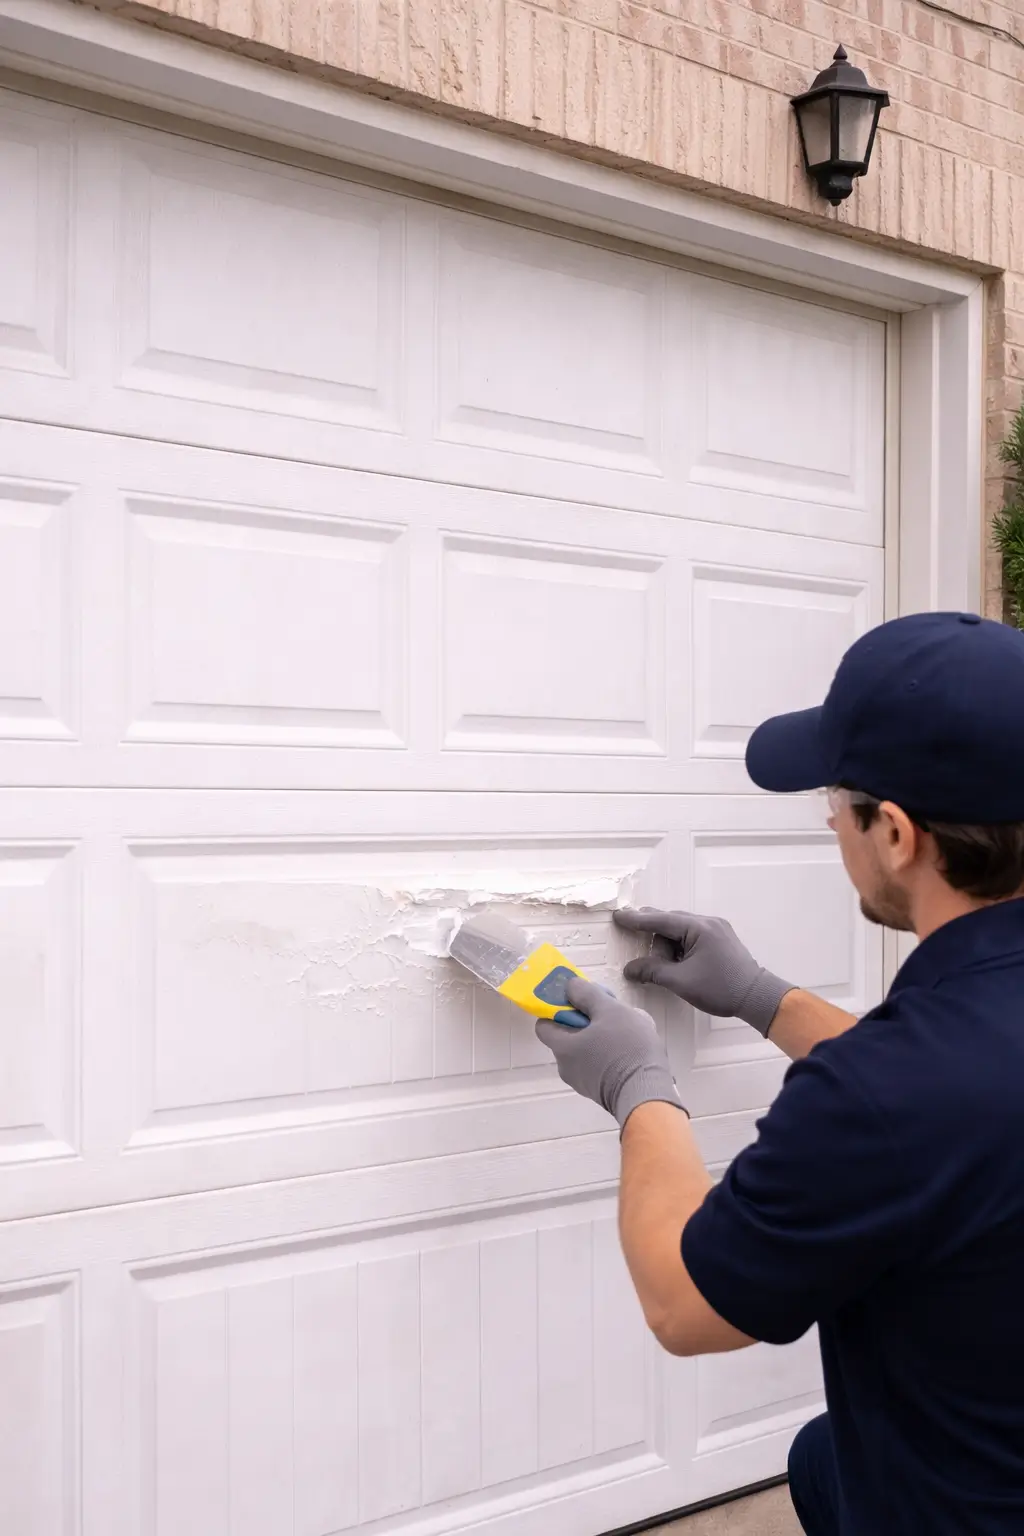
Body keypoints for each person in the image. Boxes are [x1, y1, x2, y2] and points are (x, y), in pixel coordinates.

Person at [537, 611, 1024, 1535]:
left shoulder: (892, 1089)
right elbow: (969, 1092)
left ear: (896, 834)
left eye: (836, 804)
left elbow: (686, 1306)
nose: (832, 824)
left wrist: (638, 1086)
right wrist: (765, 998)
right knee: (821, 1460)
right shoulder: (927, 1074)